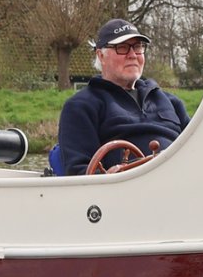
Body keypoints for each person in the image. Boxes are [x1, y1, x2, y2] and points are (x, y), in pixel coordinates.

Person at [53, 19, 192, 176]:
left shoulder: (171, 102)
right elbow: (78, 173)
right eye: (122, 48)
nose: (132, 55)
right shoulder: (81, 106)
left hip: (184, 178)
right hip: (128, 188)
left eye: (138, 47)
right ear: (101, 55)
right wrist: (109, 177)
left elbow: (199, 145)